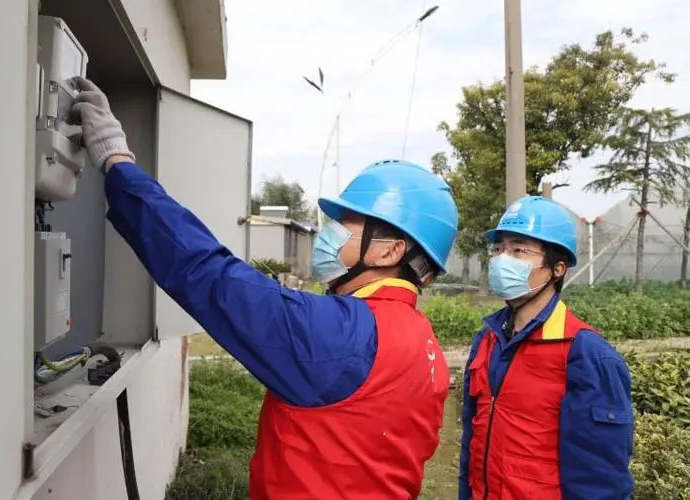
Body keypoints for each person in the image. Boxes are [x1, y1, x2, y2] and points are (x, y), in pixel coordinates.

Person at [69, 77, 459, 498]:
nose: (328, 233)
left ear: (389, 251)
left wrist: (117, 161)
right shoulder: (426, 345)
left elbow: (206, 272)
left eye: (345, 223)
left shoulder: (340, 334)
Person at [458, 196, 634, 500]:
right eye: (498, 250)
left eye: (519, 250)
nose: (502, 260)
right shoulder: (487, 340)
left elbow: (600, 480)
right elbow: (471, 448)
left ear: (557, 268)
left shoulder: (585, 353)